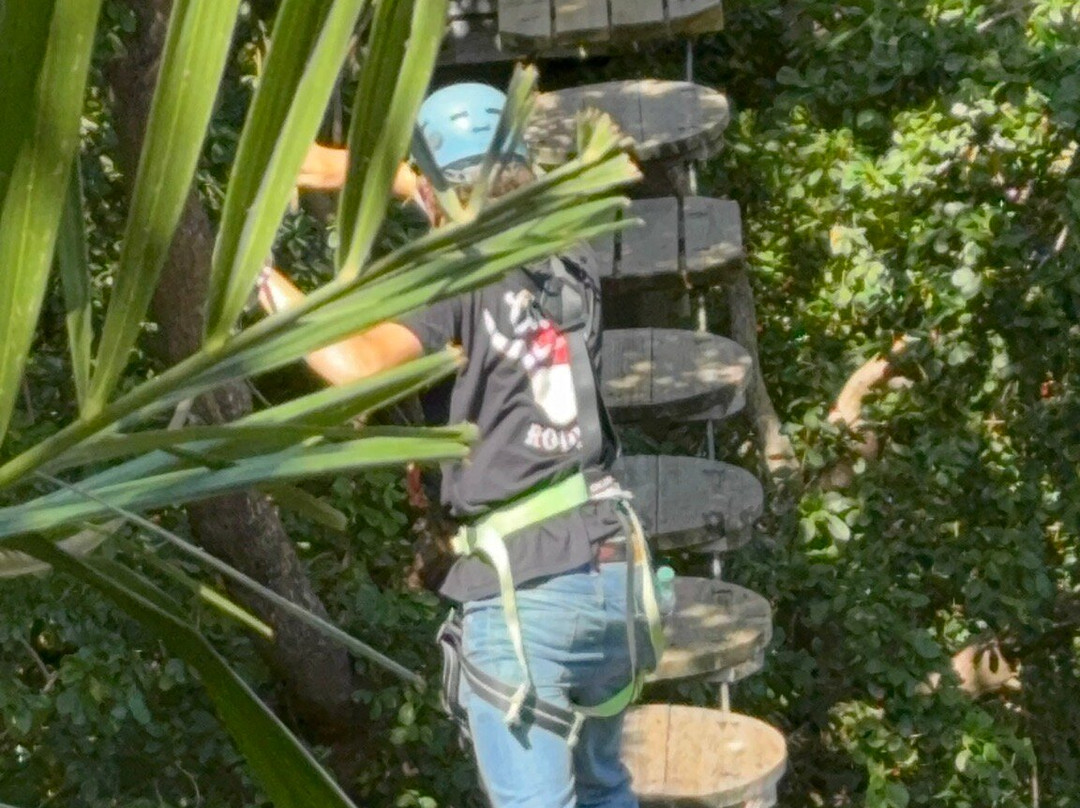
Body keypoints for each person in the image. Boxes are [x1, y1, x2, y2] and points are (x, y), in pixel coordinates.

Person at [263, 82, 660, 808]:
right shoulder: (565, 250)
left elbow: (358, 366)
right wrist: (332, 167)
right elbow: (436, 179)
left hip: (528, 593)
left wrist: (266, 284)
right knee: (605, 791)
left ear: (439, 194)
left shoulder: (453, 274)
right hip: (612, 573)